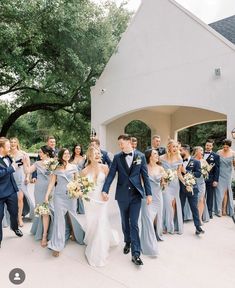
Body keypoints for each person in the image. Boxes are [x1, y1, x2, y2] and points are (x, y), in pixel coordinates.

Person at [102, 134, 152, 266]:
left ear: (129, 142)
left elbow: (145, 177)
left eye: (121, 143)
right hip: (122, 195)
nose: (120, 146)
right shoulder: (118, 157)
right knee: (125, 221)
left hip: (136, 195)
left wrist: (149, 193)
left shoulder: (140, 156)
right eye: (119, 144)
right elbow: (111, 174)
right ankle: (127, 241)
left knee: (134, 223)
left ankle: (136, 254)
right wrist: (105, 190)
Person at [81, 146, 119, 267]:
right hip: (89, 200)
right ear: (89, 156)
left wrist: (106, 192)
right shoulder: (84, 171)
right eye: (94, 154)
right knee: (92, 222)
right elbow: (80, 186)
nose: (97, 155)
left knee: (100, 222)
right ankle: (91, 239)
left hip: (102, 199)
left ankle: (98, 252)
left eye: (98, 153)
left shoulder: (105, 167)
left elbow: (108, 182)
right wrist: (79, 192)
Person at [44, 148, 84, 257]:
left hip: (71, 196)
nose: (67, 155)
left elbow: (78, 181)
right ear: (61, 155)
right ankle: (57, 245)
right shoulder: (56, 168)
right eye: (64, 153)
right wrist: (47, 195)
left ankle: (74, 233)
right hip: (59, 196)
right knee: (59, 220)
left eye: (68, 153)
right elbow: (52, 183)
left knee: (72, 216)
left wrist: (78, 191)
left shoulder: (74, 167)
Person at [24, 146, 54, 247]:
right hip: (39, 190)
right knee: (43, 212)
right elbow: (27, 171)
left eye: (41, 152)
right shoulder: (37, 163)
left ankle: (46, 234)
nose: (39, 154)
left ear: (46, 153)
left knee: (49, 211)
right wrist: (25, 162)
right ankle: (44, 235)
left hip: (50, 190)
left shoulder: (53, 162)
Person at [140, 149, 164, 257]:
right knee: (148, 220)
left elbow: (163, 184)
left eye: (157, 154)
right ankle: (149, 246)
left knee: (154, 219)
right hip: (147, 197)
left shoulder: (161, 168)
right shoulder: (144, 168)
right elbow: (140, 183)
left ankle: (153, 237)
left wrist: (166, 180)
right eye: (155, 154)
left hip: (158, 197)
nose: (157, 155)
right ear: (149, 156)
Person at [0, 137, 23, 248]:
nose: (10, 148)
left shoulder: (8, 157)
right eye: (8, 146)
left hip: (11, 191)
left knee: (14, 213)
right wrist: (13, 167)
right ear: (1, 148)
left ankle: (15, 228)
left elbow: (10, 166)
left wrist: (18, 163)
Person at [179, 144, 205, 235]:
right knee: (180, 207)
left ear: (186, 151)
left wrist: (186, 172)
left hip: (192, 189)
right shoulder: (179, 161)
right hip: (180, 189)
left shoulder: (196, 162)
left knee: (194, 208)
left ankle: (198, 227)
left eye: (181, 150)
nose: (179, 152)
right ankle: (180, 226)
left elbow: (198, 174)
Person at [160, 139, 183, 234]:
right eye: (173, 146)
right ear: (169, 146)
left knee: (172, 204)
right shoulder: (161, 158)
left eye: (177, 147)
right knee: (166, 205)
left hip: (175, 184)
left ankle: (171, 226)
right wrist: (162, 180)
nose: (175, 148)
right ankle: (164, 226)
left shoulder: (179, 158)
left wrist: (187, 183)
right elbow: (159, 171)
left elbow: (179, 174)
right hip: (165, 184)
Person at [10, 137, 34, 226]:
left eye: (14, 142)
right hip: (10, 179)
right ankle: (13, 217)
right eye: (11, 142)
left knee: (20, 199)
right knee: (12, 200)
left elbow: (28, 166)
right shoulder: (7, 154)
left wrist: (27, 177)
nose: (13, 144)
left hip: (21, 178)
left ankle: (20, 218)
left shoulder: (23, 154)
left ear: (17, 143)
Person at [214, 139, 235, 217]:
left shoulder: (233, 153)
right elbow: (215, 164)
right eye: (224, 146)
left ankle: (224, 209)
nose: (225, 148)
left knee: (226, 192)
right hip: (219, 174)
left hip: (228, 175)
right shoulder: (218, 152)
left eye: (227, 147)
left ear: (229, 146)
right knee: (219, 192)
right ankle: (218, 210)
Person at [192, 146, 210, 223]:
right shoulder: (192, 160)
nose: (202, 151)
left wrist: (205, 173)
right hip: (194, 182)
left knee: (201, 199)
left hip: (202, 183)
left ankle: (199, 218)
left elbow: (208, 171)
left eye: (203, 150)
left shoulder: (204, 161)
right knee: (194, 200)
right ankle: (193, 216)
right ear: (196, 152)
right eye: (201, 150)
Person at [204, 139, 220, 218]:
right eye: (207, 145)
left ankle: (209, 212)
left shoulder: (216, 156)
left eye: (210, 146)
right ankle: (201, 212)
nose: (208, 147)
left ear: (212, 146)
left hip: (211, 179)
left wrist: (216, 180)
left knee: (210, 196)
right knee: (201, 197)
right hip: (201, 179)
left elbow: (217, 169)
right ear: (205, 145)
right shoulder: (200, 154)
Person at [70, 144, 86, 214]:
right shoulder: (70, 158)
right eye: (76, 148)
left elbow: (85, 168)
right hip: (72, 177)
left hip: (81, 177)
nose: (78, 150)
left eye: (79, 149)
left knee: (80, 193)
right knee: (73, 193)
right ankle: (73, 208)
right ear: (74, 149)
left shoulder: (83, 158)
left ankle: (81, 209)